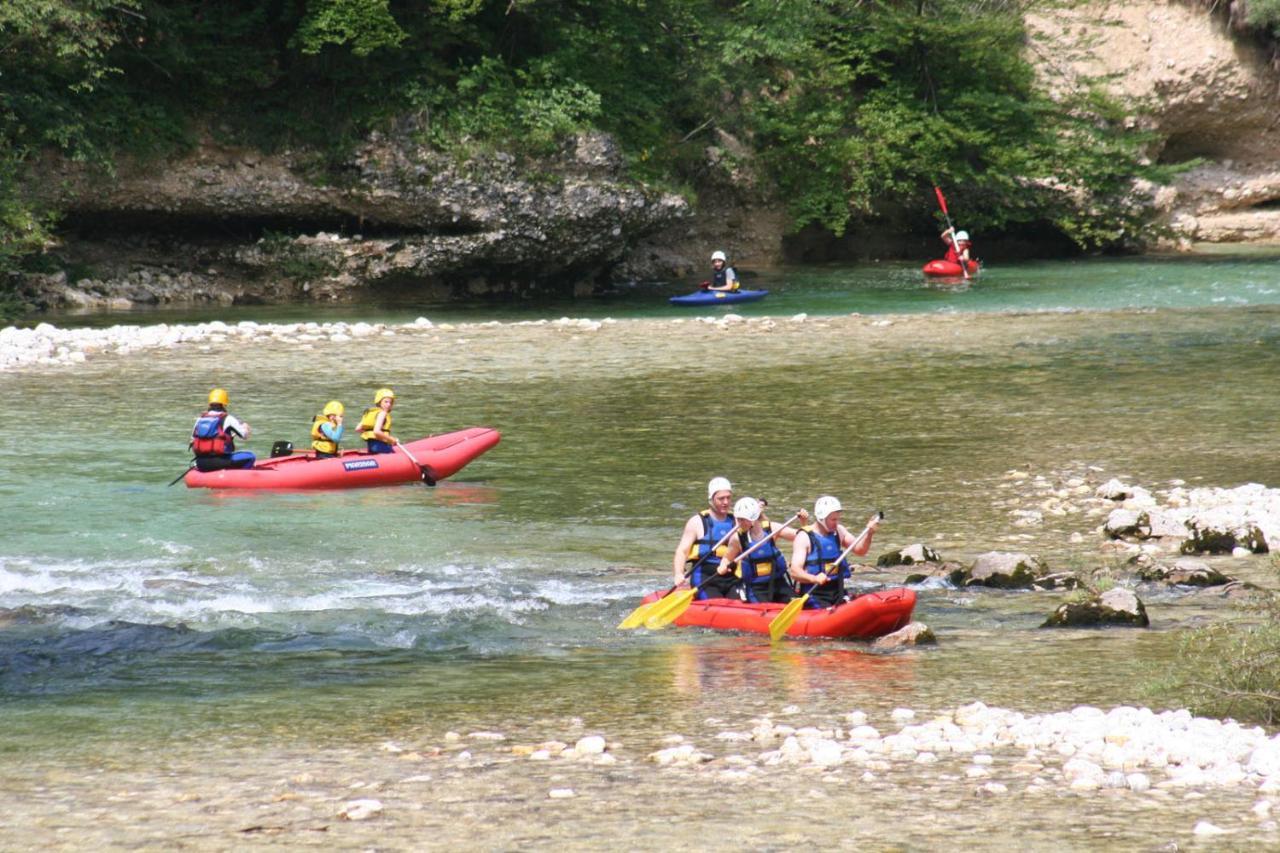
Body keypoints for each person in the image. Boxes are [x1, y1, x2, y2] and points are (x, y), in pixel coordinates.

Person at [788, 496, 881, 609]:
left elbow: (860, 550)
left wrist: (869, 534)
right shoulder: (804, 537)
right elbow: (794, 572)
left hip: (837, 591)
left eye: (838, 519)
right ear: (822, 518)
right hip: (814, 593)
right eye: (833, 520)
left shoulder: (839, 531)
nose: (836, 523)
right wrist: (814, 579)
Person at [716, 497, 809, 604]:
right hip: (756, 588)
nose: (739, 523)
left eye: (742, 519)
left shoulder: (772, 529)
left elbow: (803, 538)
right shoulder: (737, 538)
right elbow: (727, 558)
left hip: (779, 583)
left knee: (799, 604)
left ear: (753, 518)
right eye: (738, 519)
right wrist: (722, 566)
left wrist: (803, 523)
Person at [672, 476, 737, 599]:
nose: (726, 502)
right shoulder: (697, 522)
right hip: (705, 578)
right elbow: (682, 551)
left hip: (731, 577)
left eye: (728, 498)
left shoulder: (737, 521)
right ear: (711, 499)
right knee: (716, 603)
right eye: (721, 498)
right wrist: (679, 574)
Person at [190, 388, 255, 471]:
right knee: (250, 456)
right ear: (224, 405)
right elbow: (244, 435)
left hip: (201, 463)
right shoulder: (228, 418)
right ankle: (238, 478)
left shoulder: (200, 419)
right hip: (220, 462)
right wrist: (245, 427)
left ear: (210, 404)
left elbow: (193, 441)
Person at [358, 388, 399, 454]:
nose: (388, 404)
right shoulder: (382, 413)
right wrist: (392, 439)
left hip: (371, 446)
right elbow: (376, 431)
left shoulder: (371, 413)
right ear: (379, 402)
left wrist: (369, 433)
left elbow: (358, 429)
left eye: (390, 402)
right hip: (381, 446)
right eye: (386, 401)